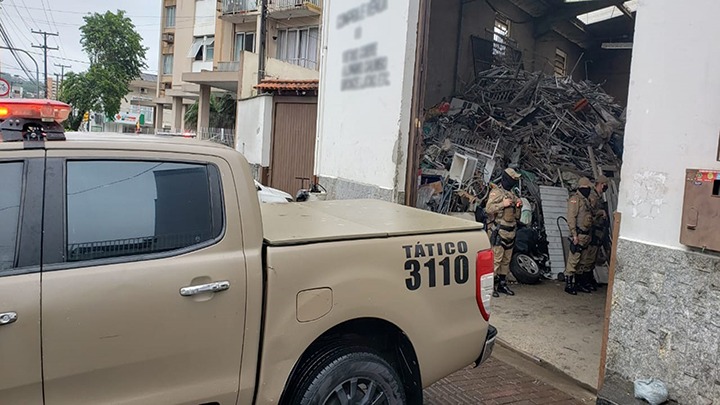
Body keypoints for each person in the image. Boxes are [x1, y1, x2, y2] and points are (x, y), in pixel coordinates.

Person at [485, 168, 523, 297]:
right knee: (496, 260)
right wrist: (502, 204)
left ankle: (502, 284)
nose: (514, 181)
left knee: (506, 261)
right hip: (499, 231)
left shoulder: (512, 194)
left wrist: (519, 204)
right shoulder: (496, 192)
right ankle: (490, 287)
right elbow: (488, 208)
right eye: (513, 179)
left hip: (511, 231)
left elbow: (517, 216)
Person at [565, 177, 594, 295]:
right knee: (573, 260)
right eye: (588, 188)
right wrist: (574, 234)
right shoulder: (575, 200)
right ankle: (569, 284)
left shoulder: (586, 200)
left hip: (586, 235)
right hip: (578, 235)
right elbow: (571, 218)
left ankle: (578, 283)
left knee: (582, 261)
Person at [580, 175, 610, 291]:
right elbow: (590, 212)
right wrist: (600, 212)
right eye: (604, 185)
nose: (605, 187)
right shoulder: (592, 196)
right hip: (593, 229)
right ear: (601, 184)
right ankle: (585, 281)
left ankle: (589, 280)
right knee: (589, 256)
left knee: (593, 257)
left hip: (599, 230)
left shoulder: (599, 197)